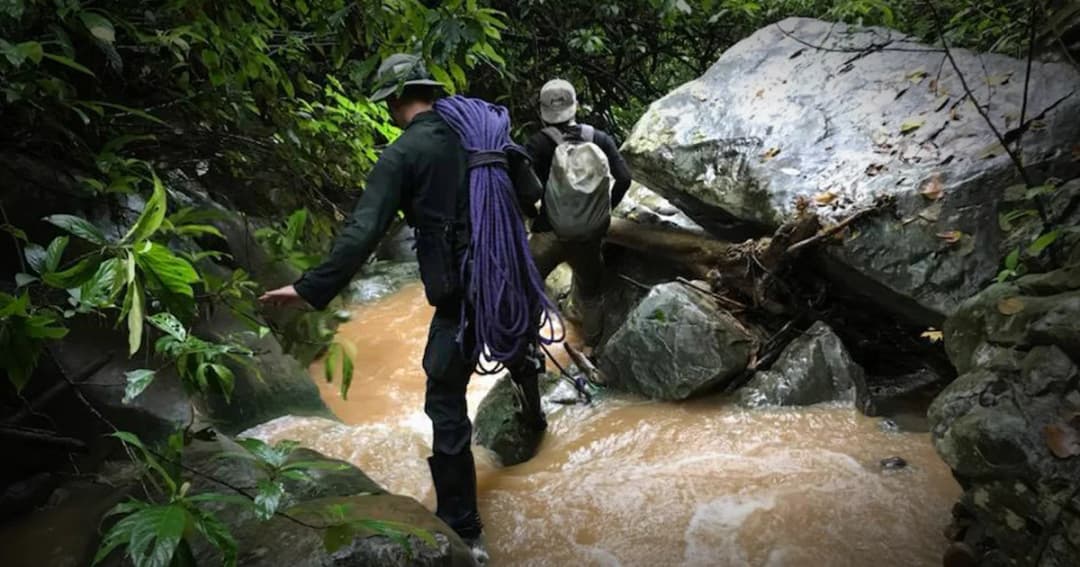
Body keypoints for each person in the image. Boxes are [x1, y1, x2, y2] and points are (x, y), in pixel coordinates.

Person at [259, 53, 547, 563]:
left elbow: (363, 232)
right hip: (507, 279)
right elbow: (532, 193)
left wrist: (309, 289)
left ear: (395, 100)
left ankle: (463, 526)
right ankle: (535, 416)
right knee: (518, 338)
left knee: (444, 398)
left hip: (458, 294)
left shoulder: (403, 154)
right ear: (430, 91)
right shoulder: (485, 130)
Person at [525, 79, 632, 348]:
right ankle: (592, 348)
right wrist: (602, 214)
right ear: (576, 107)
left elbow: (525, 189)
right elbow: (624, 178)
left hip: (549, 233)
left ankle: (529, 348)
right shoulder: (600, 139)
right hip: (588, 237)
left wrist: (533, 215)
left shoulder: (537, 144)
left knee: (527, 286)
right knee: (592, 293)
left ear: (542, 111)